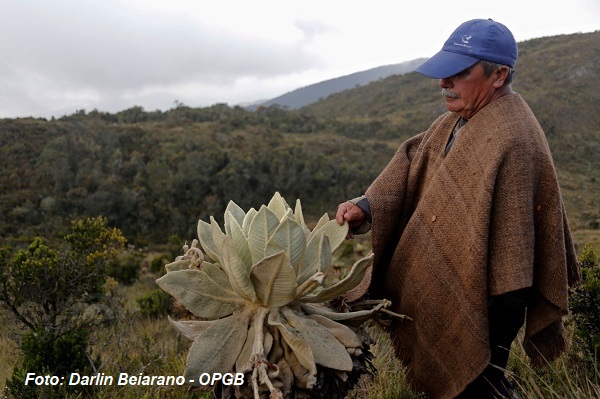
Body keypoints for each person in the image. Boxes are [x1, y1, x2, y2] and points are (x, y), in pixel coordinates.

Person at [336, 19, 580, 399]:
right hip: (462, 282)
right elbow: (414, 160)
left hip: (492, 294)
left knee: (478, 381)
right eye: (443, 72)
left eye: (458, 73)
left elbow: (515, 250)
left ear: (498, 74)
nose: (443, 82)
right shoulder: (457, 119)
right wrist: (367, 206)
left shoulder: (514, 138)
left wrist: (473, 308)